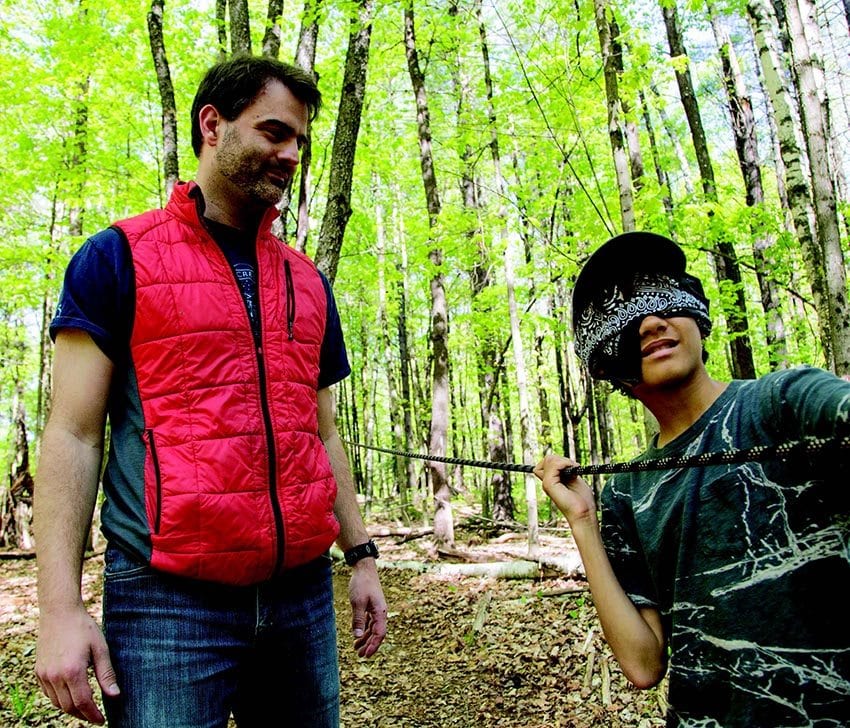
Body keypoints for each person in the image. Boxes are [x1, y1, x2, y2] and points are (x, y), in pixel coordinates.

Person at [34, 54, 387, 728]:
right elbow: (72, 435)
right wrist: (59, 609)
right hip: (166, 605)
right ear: (212, 124)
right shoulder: (116, 258)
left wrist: (362, 554)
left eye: (300, 143)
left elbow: (324, 434)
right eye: (274, 133)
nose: (290, 156)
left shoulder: (307, 282)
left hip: (301, 597)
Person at [535, 231, 850, 726]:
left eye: (664, 298)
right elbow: (643, 664)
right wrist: (582, 521)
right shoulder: (625, 491)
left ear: (697, 315)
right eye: (626, 315)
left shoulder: (783, 402)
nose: (653, 322)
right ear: (607, 362)